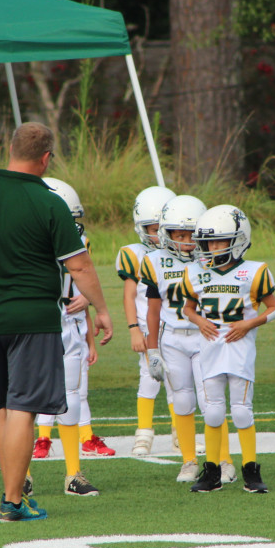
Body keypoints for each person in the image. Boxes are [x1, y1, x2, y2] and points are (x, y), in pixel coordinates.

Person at [0, 122, 113, 522]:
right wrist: (102, 309)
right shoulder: (49, 202)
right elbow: (78, 264)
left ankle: (13, 492)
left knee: (4, 408)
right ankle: (13, 500)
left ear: (10, 150)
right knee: (24, 408)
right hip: (32, 317)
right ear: (46, 158)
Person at [181, 205, 275, 494]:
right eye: (208, 241)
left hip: (240, 348)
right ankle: (211, 471)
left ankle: (250, 469)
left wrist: (250, 324)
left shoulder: (255, 271)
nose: (211, 247)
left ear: (237, 240)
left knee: (241, 412)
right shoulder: (195, 272)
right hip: (210, 346)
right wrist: (199, 320)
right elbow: (187, 309)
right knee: (212, 413)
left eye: (219, 241)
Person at [31, 177, 102, 496]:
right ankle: (23, 475)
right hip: (32, 321)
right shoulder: (23, 239)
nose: (70, 228)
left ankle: (74, 474)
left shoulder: (78, 240)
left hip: (69, 321)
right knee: (24, 400)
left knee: (71, 399)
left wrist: (88, 299)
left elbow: (80, 276)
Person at [141, 194, 213, 484]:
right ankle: (188, 461)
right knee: (182, 402)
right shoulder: (155, 261)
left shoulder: (212, 260)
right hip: (172, 337)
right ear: (166, 234)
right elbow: (153, 310)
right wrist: (152, 350)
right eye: (179, 234)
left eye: (190, 235)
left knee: (212, 403)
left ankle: (221, 460)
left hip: (205, 336)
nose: (184, 241)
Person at [117, 185, 178, 456]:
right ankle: (143, 434)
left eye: (162, 227)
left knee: (179, 382)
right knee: (149, 378)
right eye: (153, 228)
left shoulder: (181, 252)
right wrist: (133, 329)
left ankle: (181, 433)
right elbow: (129, 295)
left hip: (176, 326)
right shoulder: (134, 254)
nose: (158, 234)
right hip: (147, 327)